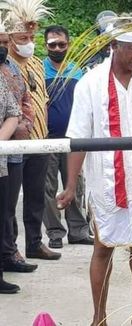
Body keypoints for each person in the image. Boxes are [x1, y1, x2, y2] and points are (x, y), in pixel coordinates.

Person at [56, 15, 132, 326]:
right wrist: (70, 187)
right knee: (103, 247)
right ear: (114, 46)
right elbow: (78, 139)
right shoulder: (90, 83)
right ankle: (99, 317)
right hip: (106, 182)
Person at [3, 0, 61, 261]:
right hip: (14, 143)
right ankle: (10, 248)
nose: (28, 41)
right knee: (9, 201)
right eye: (22, 37)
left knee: (36, 196)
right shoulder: (6, 66)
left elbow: (42, 99)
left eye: (31, 36)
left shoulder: (37, 63)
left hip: (40, 140)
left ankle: (35, 243)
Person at [42, 25, 93, 249]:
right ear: (45, 46)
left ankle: (78, 230)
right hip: (46, 139)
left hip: (73, 139)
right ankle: (54, 232)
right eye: (52, 45)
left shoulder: (77, 72)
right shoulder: (38, 70)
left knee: (75, 184)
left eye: (61, 44)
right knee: (48, 186)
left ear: (68, 44)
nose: (57, 48)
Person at [0, 16, 38, 273]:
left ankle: (8, 254)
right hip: (7, 147)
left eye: (4, 42)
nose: (3, 47)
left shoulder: (10, 69)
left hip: (10, 149)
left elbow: (20, 104)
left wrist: (17, 128)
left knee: (7, 208)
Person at [0, 15, 22, 294]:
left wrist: (0, 140)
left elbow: (13, 113)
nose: (3, 47)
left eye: (6, 42)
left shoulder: (2, 79)